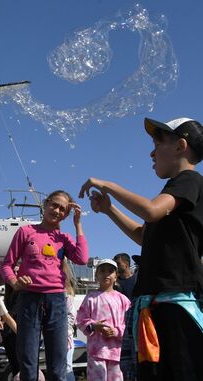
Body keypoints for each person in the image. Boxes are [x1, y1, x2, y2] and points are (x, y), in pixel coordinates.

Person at [79, 117, 203, 381]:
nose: (151, 151)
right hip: (156, 305)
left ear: (181, 146)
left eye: (158, 142)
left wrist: (109, 184)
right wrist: (110, 209)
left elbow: (150, 210)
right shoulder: (173, 194)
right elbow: (143, 236)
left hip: (175, 305)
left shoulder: (189, 180)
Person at [0, 190, 88, 381]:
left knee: (58, 365)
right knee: (28, 363)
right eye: (54, 204)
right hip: (28, 298)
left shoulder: (63, 238)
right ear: (45, 204)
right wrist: (15, 282)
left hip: (56, 300)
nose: (56, 210)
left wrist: (78, 224)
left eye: (62, 209)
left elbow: (82, 258)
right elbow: (7, 265)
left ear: (66, 215)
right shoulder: (25, 231)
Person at [76, 259, 131, 381]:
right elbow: (80, 320)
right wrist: (94, 326)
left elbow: (129, 323)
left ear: (116, 276)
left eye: (110, 271)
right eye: (102, 271)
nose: (106, 274)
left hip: (117, 352)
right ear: (96, 275)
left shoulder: (123, 300)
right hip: (96, 352)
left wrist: (116, 331)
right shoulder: (90, 298)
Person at [113, 253, 137, 381]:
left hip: (135, 323)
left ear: (126, 264)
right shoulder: (115, 284)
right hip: (120, 326)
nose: (116, 266)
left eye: (118, 263)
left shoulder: (137, 280)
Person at [63, 261, 77, 381]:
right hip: (65, 335)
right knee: (66, 367)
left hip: (65, 336)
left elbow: (71, 316)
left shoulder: (66, 294)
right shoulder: (68, 293)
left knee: (66, 368)